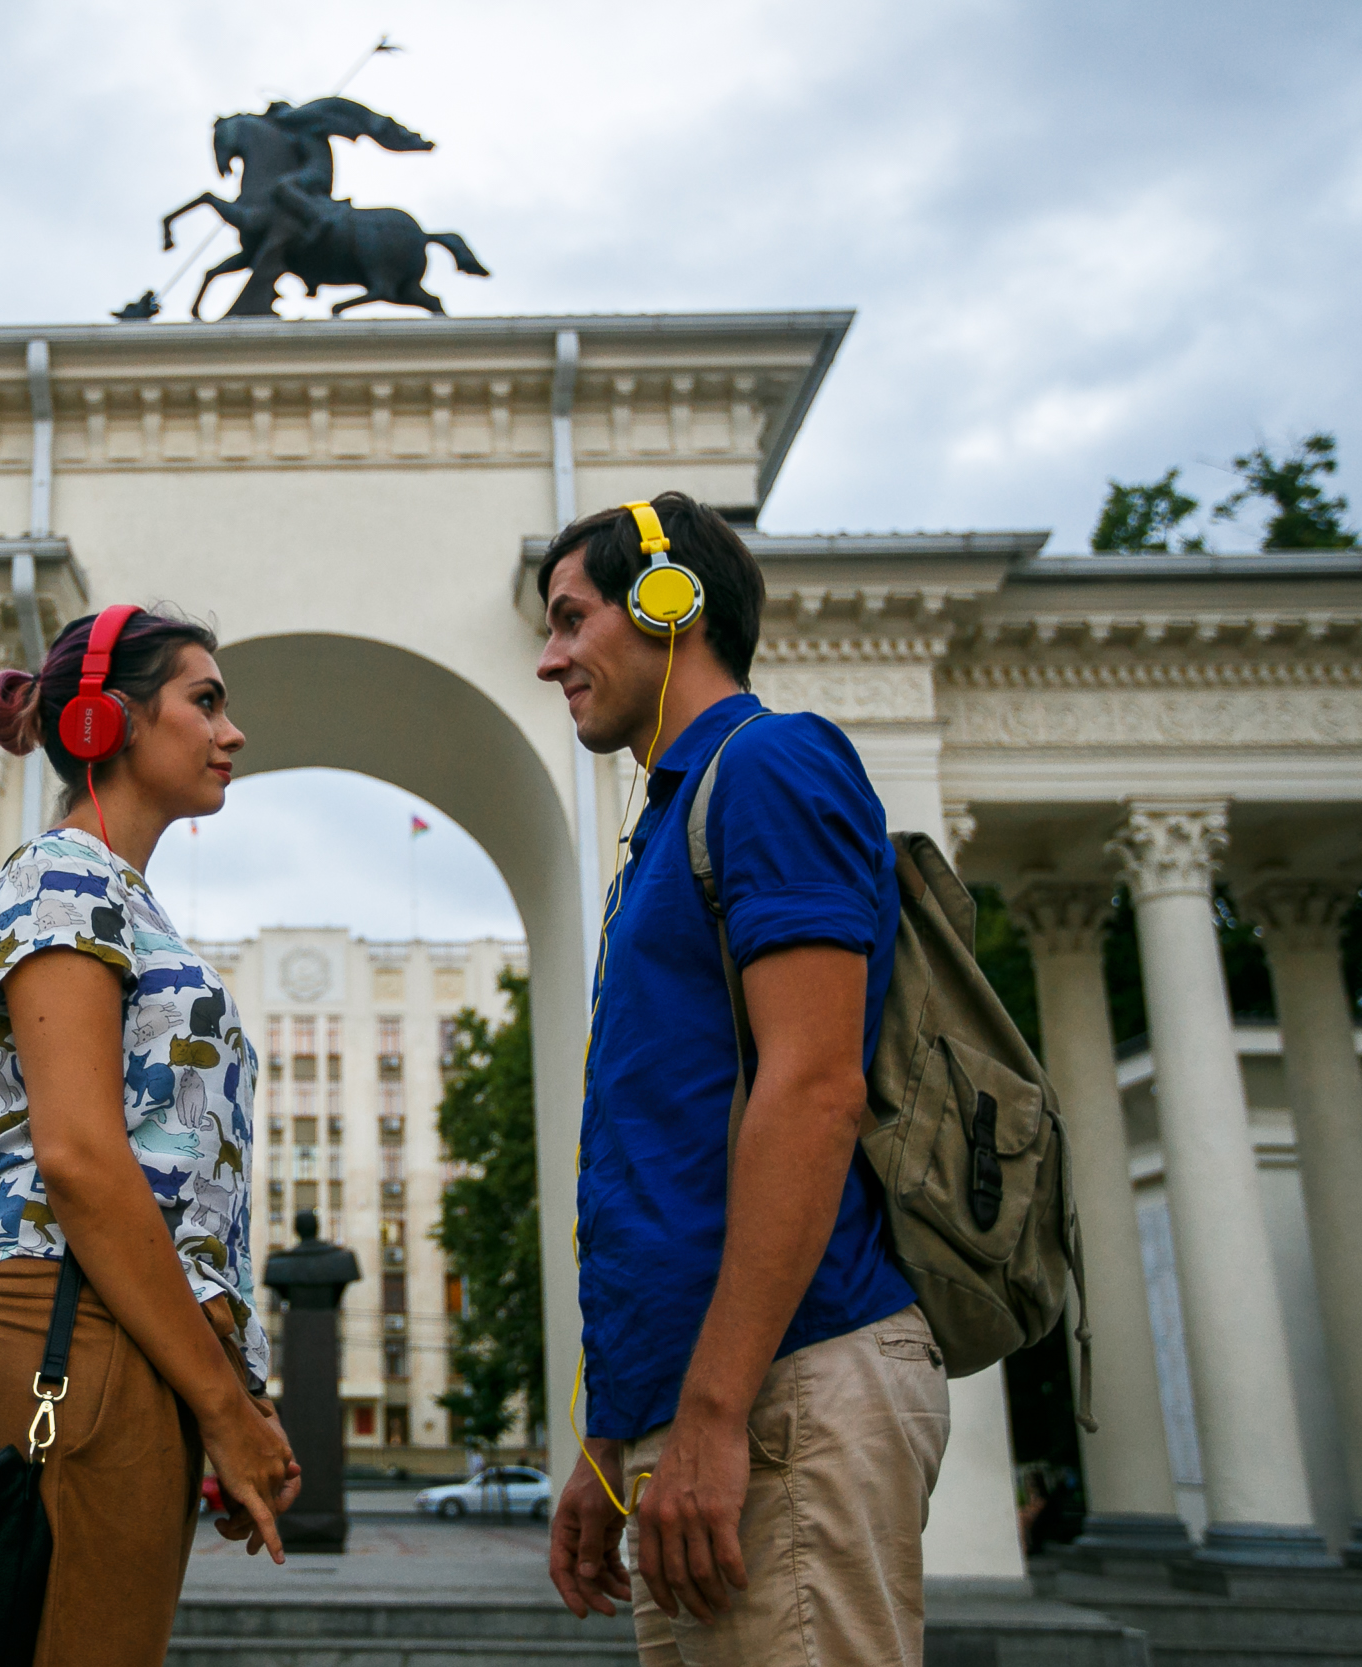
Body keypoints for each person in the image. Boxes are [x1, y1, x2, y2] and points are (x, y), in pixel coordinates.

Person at [538, 495, 951, 1667]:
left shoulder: (769, 763)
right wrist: (614, 1439)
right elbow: (667, 1159)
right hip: (716, 1405)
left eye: (571, 618)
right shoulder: (668, 828)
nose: (549, 655)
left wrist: (713, 1418)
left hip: (787, 1390)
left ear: (670, 602)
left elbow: (816, 1089)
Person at [0, 603, 299, 1667]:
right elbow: (80, 1159)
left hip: (119, 1332)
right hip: (65, 1329)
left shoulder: (121, 896)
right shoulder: (64, 875)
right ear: (106, 722)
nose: (232, 731)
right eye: (204, 700)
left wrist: (229, 1385)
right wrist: (224, 1407)